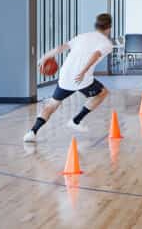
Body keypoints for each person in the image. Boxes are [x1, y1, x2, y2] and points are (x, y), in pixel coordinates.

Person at [23, 12, 115, 143]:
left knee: (52, 104)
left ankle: (32, 132)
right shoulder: (107, 44)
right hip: (82, 78)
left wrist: (44, 57)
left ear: (96, 26)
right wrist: (83, 71)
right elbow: (95, 54)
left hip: (65, 75)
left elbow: (62, 48)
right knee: (102, 93)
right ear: (109, 28)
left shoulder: (83, 36)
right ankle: (75, 120)